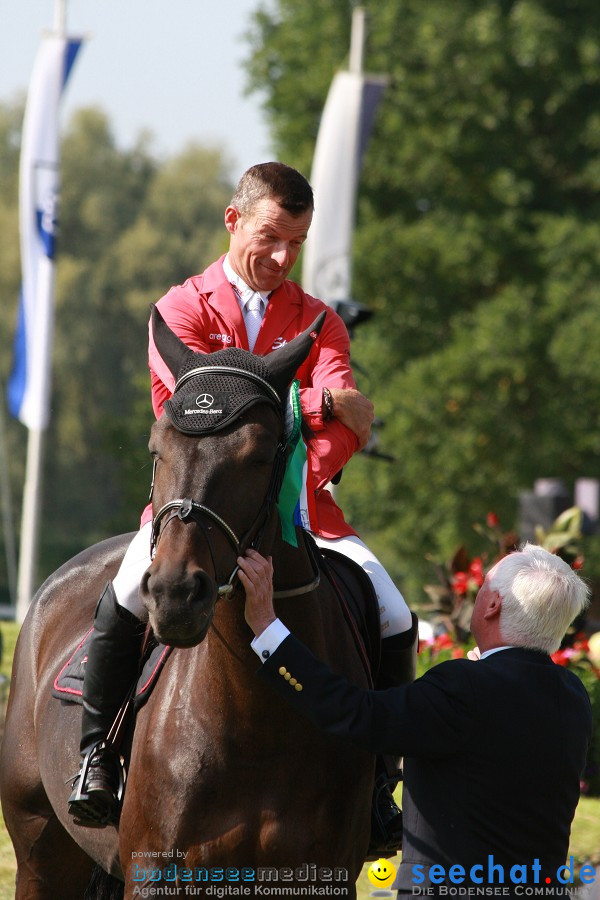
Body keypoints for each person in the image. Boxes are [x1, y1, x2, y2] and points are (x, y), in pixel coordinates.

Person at [68, 162, 417, 842]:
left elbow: (348, 431)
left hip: (299, 508)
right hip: (195, 503)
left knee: (394, 611)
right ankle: (96, 758)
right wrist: (314, 400)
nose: (284, 258)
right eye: (271, 237)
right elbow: (197, 412)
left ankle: (378, 781)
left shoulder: (319, 321)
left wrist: (295, 473)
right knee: (127, 594)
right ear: (234, 221)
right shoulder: (180, 310)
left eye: (298, 242)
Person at [239, 543, 593, 896]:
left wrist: (268, 628)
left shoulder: (465, 687)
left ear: (493, 605)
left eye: (485, 584)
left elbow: (358, 714)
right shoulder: (572, 696)